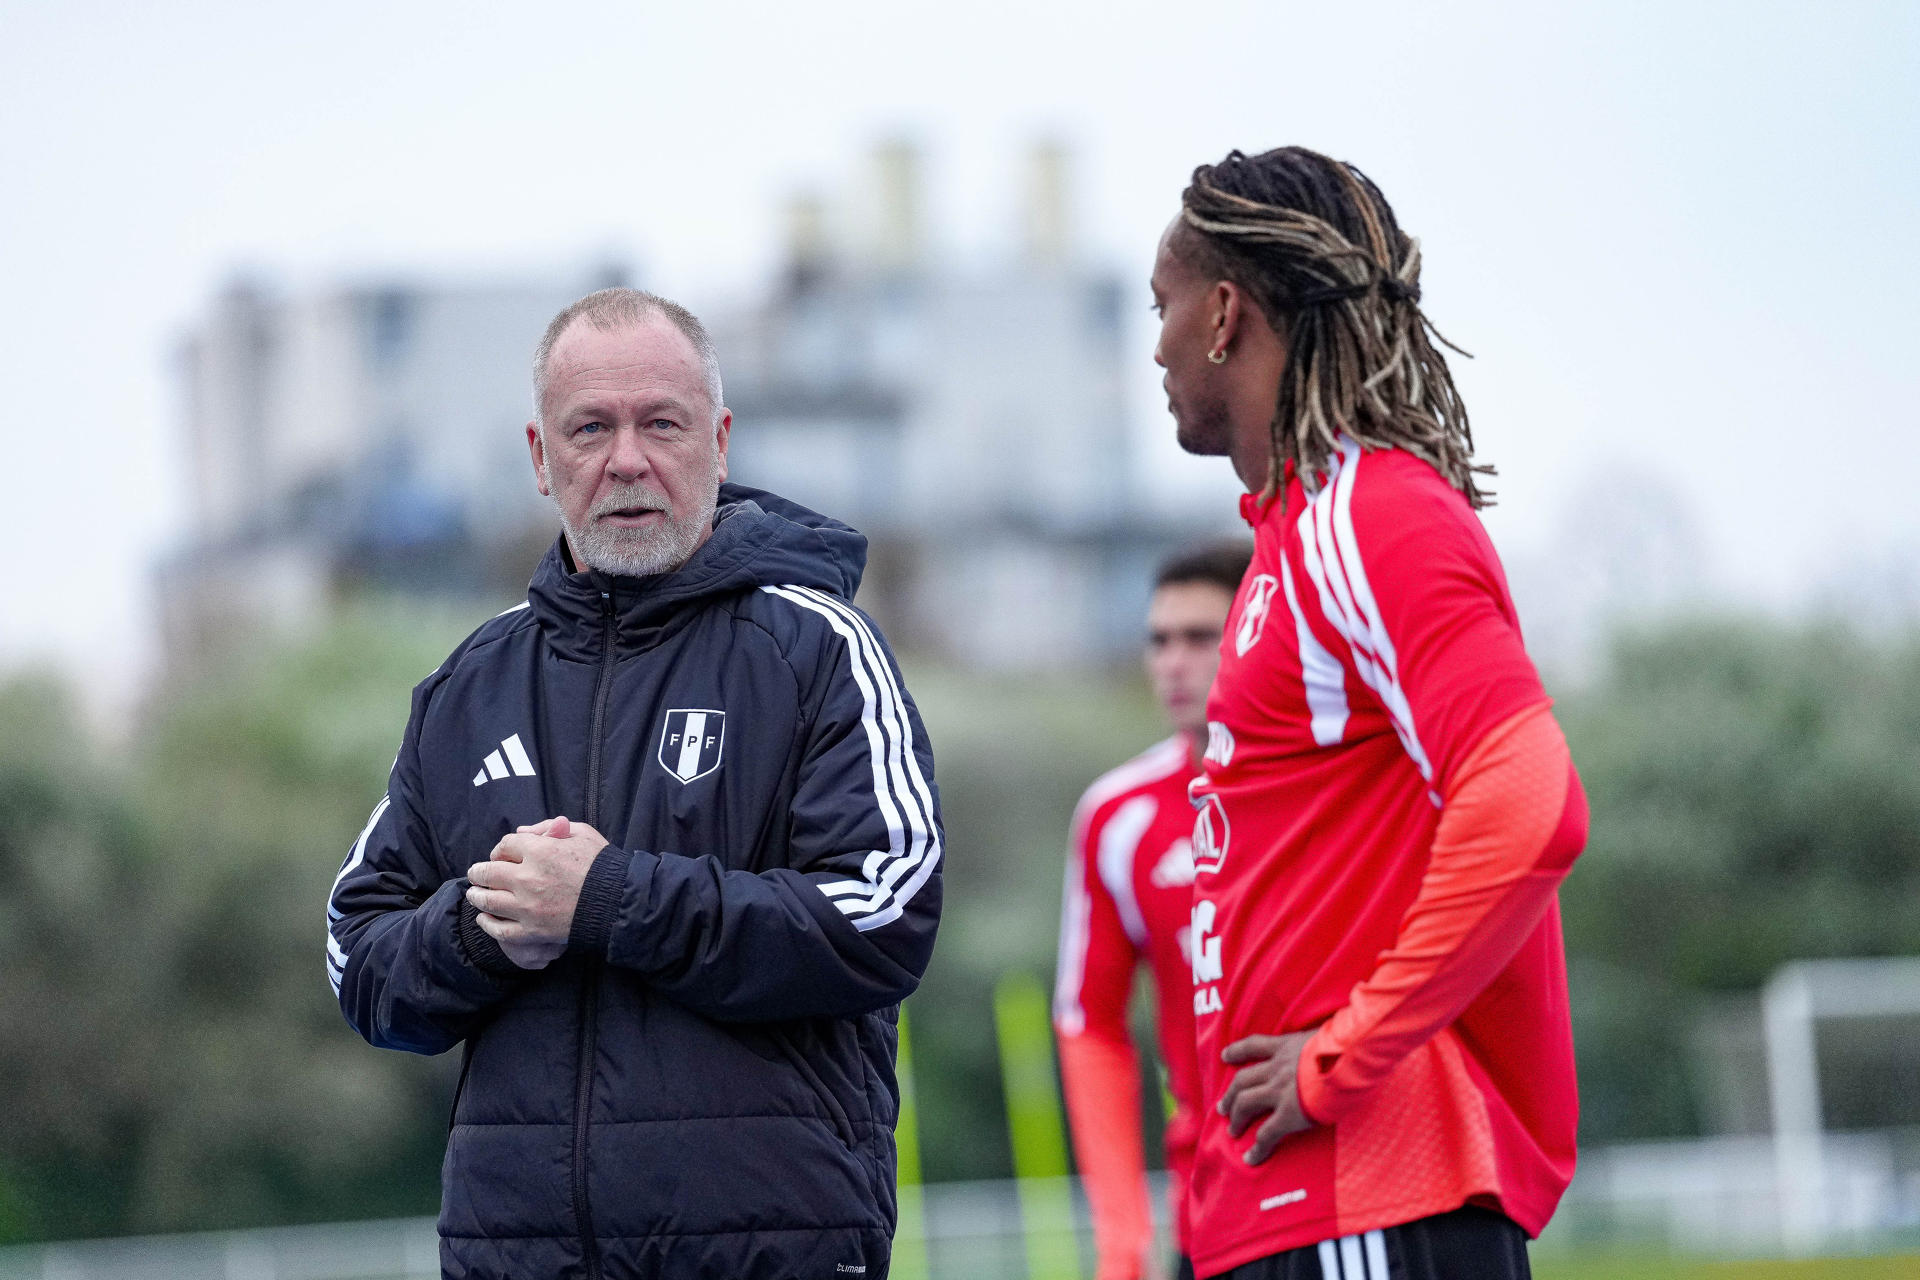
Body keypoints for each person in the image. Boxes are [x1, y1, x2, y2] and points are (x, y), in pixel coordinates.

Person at [325, 288, 943, 1280]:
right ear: (541, 457)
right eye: (590, 428)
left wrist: (610, 900)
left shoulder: (819, 648)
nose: (626, 459)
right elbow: (357, 956)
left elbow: (888, 913)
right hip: (515, 1259)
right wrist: (482, 929)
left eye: (662, 423)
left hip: (767, 1254)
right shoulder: (470, 685)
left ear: (720, 442)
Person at [1148, 147, 1589, 1279]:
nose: (1155, 348)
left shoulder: (1373, 513)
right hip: (1293, 1199)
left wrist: (1342, 1055)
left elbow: (1531, 799)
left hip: (1367, 1192)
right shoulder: (1292, 534)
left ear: (1224, 315)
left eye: (1162, 308)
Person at [1054, 540, 1254, 1280]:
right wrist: (1122, 1239)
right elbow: (1090, 1024)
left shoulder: (1338, 786)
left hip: (1350, 1188)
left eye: (1200, 638)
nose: (1173, 662)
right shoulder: (1118, 815)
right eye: (1159, 640)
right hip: (1211, 1209)